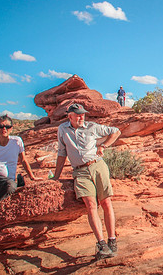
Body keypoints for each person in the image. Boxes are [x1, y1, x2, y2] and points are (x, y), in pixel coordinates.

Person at [53, 103, 121, 260]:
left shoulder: (92, 127)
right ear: (69, 116)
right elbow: (62, 153)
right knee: (91, 205)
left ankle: (112, 240)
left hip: (97, 166)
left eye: (82, 114)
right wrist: (56, 177)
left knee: (106, 203)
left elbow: (116, 132)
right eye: (77, 115)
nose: (81, 117)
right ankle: (102, 243)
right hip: (80, 171)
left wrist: (103, 145)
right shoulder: (63, 130)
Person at [0, 115, 40, 211]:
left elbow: (23, 160)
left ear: (11, 128)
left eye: (7, 126)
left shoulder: (16, 141)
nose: (4, 129)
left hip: (3, 181)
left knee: (11, 186)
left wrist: (32, 177)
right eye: (1, 126)